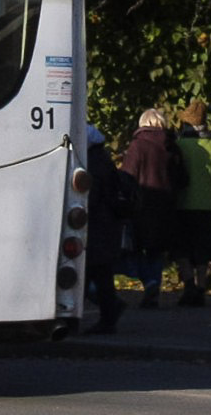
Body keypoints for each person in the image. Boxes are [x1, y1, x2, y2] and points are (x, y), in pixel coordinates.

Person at [121, 107, 178, 308]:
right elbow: (181, 177)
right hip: (166, 206)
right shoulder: (172, 145)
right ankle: (153, 291)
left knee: (133, 250)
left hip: (141, 205)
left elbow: (128, 177)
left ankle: (149, 282)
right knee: (156, 251)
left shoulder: (138, 146)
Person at [172, 99, 211, 307]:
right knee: (203, 248)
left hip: (181, 204)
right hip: (208, 205)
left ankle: (188, 286)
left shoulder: (179, 145)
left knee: (181, 247)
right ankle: (201, 288)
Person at [82, 124, 127, 334]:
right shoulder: (102, 159)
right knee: (97, 275)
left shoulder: (92, 163)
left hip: (98, 227)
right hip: (106, 226)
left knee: (96, 274)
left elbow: (92, 197)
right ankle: (109, 312)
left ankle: (108, 316)